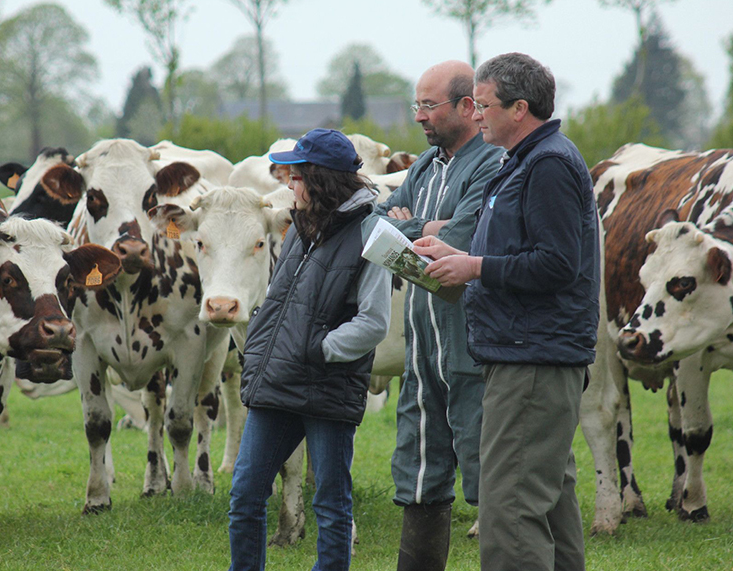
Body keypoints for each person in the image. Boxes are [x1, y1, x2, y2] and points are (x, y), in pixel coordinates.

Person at [414, 52, 600, 571]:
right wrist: (458, 256)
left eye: (486, 105)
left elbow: (558, 264)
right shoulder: (524, 163)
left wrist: (474, 268)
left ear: (520, 109)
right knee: (550, 504)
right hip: (527, 356)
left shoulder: (548, 165)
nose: (476, 115)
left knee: (510, 513)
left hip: (533, 360)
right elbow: (521, 251)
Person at [228, 128, 392, 571]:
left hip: (327, 387)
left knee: (331, 504)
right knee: (245, 495)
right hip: (278, 381)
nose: (287, 184)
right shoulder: (299, 226)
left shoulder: (373, 232)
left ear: (319, 179)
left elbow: (374, 322)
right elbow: (280, 302)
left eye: (295, 176)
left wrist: (318, 350)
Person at [361, 60, 501, 571]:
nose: (419, 116)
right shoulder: (424, 166)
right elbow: (374, 224)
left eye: (428, 105)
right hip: (422, 351)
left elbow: (459, 242)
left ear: (467, 106)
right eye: (415, 104)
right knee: (419, 471)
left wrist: (413, 226)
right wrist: (426, 225)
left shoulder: (490, 162)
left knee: (491, 472)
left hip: (472, 346)